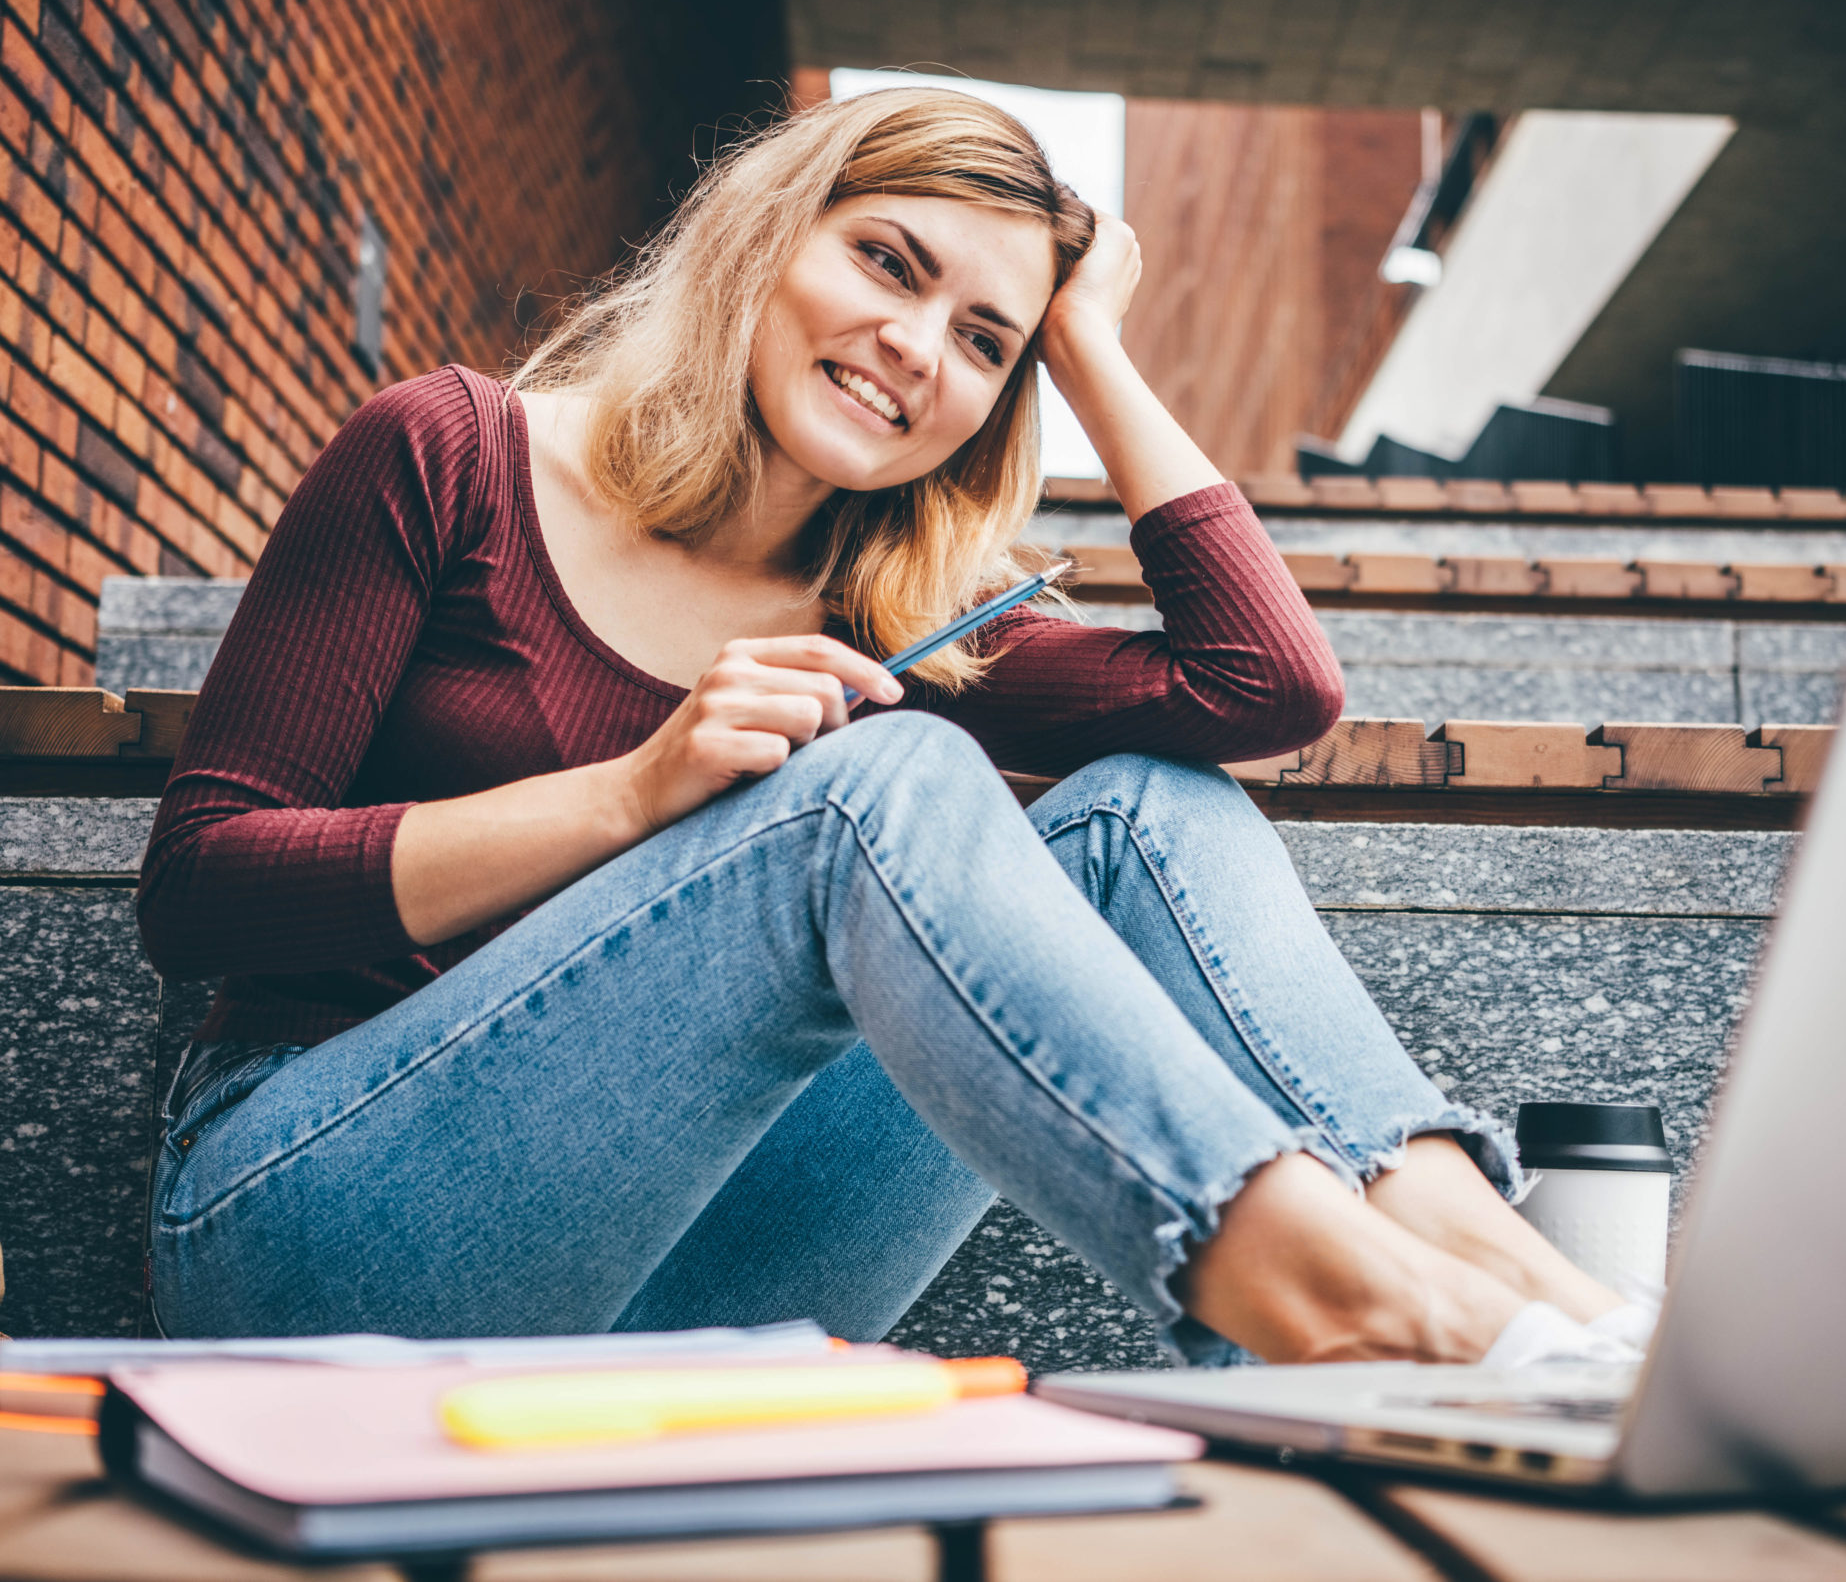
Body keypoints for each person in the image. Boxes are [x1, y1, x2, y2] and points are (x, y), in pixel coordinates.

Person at [137, 87, 1636, 1367]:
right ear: (766, 236)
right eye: (887, 263)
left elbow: (1266, 690)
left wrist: (1092, 346)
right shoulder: (453, 455)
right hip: (319, 1245)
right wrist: (634, 794)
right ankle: (1349, 1301)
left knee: (1139, 817)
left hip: (687, 1301)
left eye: (987, 339)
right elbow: (200, 891)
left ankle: (1507, 1268)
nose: (922, 347)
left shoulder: (890, 622)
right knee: (882, 784)